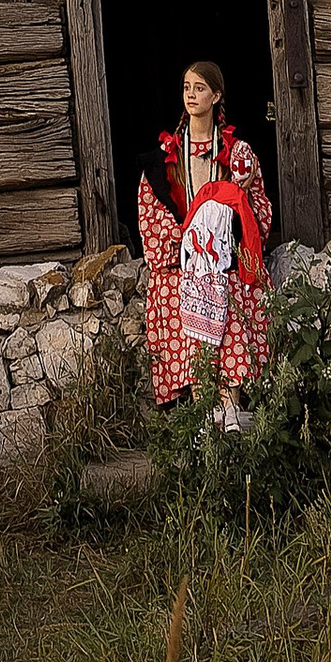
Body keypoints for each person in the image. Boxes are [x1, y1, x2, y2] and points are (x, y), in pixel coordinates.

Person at [136, 57, 272, 420]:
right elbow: (150, 209)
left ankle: (229, 404)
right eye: (186, 87)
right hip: (183, 257)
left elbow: (258, 207)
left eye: (199, 88)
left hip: (222, 256)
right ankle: (203, 405)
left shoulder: (238, 153)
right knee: (177, 287)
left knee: (231, 285)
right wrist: (184, 240)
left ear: (216, 96)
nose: (191, 94)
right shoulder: (166, 156)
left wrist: (237, 201)